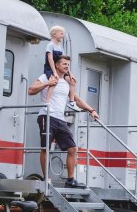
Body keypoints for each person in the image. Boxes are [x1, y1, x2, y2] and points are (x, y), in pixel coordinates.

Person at [28, 54, 99, 188]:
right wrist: (47, 83)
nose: (67, 66)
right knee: (46, 148)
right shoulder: (46, 77)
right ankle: (45, 179)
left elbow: (77, 100)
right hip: (46, 116)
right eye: (64, 64)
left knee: (72, 149)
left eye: (68, 64)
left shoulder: (67, 83)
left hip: (60, 119)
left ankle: (70, 180)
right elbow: (30, 90)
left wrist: (92, 110)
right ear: (56, 65)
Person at [42, 26, 76, 110]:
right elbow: (50, 60)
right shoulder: (50, 45)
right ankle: (47, 104)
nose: (63, 35)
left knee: (72, 82)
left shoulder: (60, 47)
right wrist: (54, 72)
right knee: (54, 81)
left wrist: (70, 73)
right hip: (50, 68)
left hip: (59, 69)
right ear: (54, 34)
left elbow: (64, 61)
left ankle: (71, 102)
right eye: (61, 33)